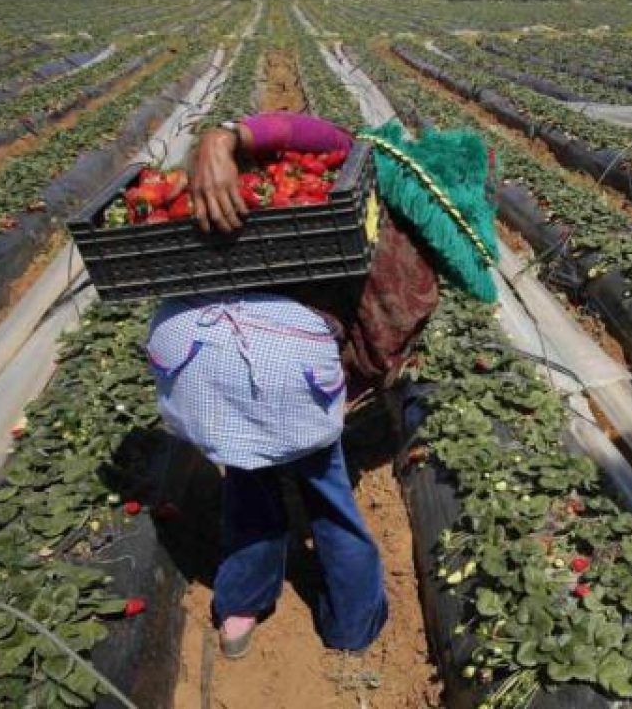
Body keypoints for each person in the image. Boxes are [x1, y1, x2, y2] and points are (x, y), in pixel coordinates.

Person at [146, 113, 439, 659]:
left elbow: (270, 131)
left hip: (199, 362)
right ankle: (352, 625)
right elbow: (302, 135)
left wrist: (216, 141)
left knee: (248, 482)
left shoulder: (197, 202)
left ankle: (240, 608)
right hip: (293, 360)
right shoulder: (341, 173)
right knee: (326, 492)